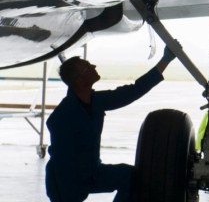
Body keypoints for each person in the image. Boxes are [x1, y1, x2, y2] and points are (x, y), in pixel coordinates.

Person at [45, 47, 177, 202]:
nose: (94, 67)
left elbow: (132, 91)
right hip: (66, 181)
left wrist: (165, 61)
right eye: (88, 67)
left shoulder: (96, 101)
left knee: (130, 176)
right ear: (80, 81)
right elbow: (63, 163)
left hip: (92, 172)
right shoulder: (62, 117)